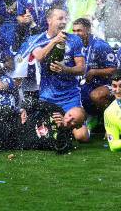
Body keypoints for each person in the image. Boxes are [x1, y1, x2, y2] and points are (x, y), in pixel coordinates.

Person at [30, 7, 89, 142]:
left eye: (65, 19)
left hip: (70, 97)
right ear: (49, 20)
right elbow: (38, 56)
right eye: (60, 18)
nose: (64, 22)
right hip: (47, 97)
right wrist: (55, 41)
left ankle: (69, 126)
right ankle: (63, 128)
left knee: (82, 137)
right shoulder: (37, 39)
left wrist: (65, 69)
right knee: (42, 135)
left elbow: (81, 69)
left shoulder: (74, 40)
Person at [72, 18, 117, 113]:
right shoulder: (74, 46)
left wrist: (94, 72)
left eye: (79, 30)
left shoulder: (100, 45)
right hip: (85, 84)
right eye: (74, 31)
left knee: (95, 96)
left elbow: (114, 70)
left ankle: (109, 117)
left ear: (88, 30)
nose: (76, 34)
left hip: (104, 84)